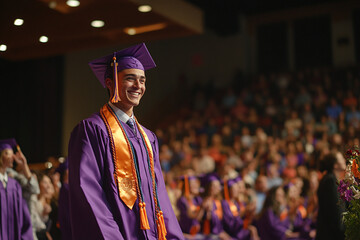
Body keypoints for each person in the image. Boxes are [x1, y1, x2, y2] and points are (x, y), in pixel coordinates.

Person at [68, 43, 184, 239]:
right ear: (110, 82)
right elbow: (88, 191)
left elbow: (159, 194)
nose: (138, 86)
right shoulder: (91, 130)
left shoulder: (148, 137)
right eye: (130, 79)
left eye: (142, 80)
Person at [0, 138, 33, 239]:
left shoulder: (15, 185)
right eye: (7, 153)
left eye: (12, 153)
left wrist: (24, 165)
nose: (12, 157)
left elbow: (24, 217)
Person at [315, 153, 345, 240]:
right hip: (329, 235)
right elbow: (335, 211)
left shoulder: (330, 179)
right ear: (335, 165)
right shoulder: (330, 181)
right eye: (341, 158)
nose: (344, 160)